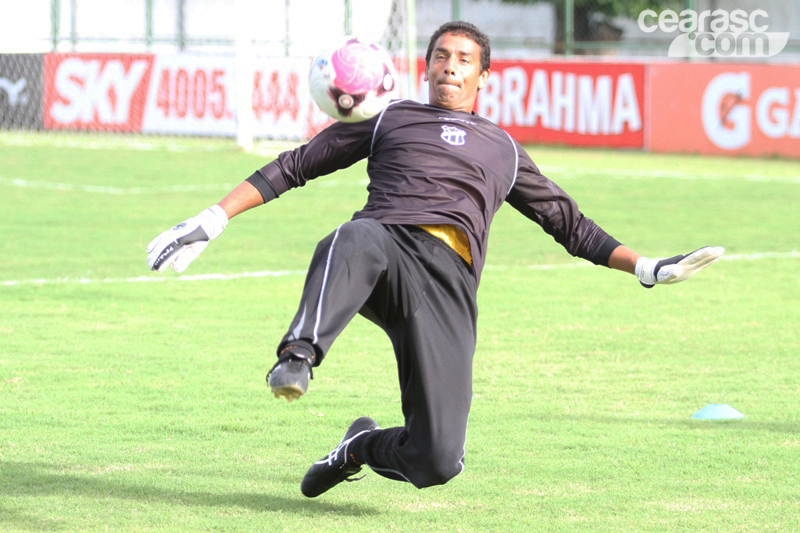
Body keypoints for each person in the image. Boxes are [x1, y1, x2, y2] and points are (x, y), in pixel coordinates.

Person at [147, 21, 723, 498]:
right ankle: (297, 357)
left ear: (483, 75)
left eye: (465, 58)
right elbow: (297, 165)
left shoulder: (502, 147)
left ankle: (357, 447)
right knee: (352, 236)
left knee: (438, 461)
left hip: (449, 288)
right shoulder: (388, 117)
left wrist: (646, 267)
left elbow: (570, 226)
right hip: (386, 247)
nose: (451, 64)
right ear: (426, 68)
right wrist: (212, 219)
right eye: (442, 55)